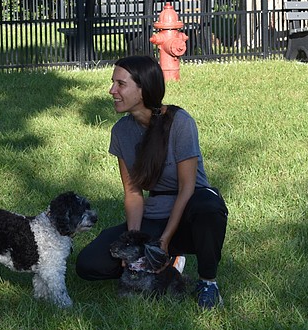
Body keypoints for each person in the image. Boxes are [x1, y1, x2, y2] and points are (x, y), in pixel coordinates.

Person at [75, 55, 228, 309]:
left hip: (191, 209)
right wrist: (134, 242)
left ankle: (207, 283)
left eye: (120, 84)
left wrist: (165, 240)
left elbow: (187, 187)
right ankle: (162, 264)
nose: (112, 90)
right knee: (89, 264)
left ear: (143, 89)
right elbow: (133, 193)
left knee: (208, 207)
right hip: (155, 215)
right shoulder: (121, 132)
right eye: (113, 83)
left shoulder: (180, 122)